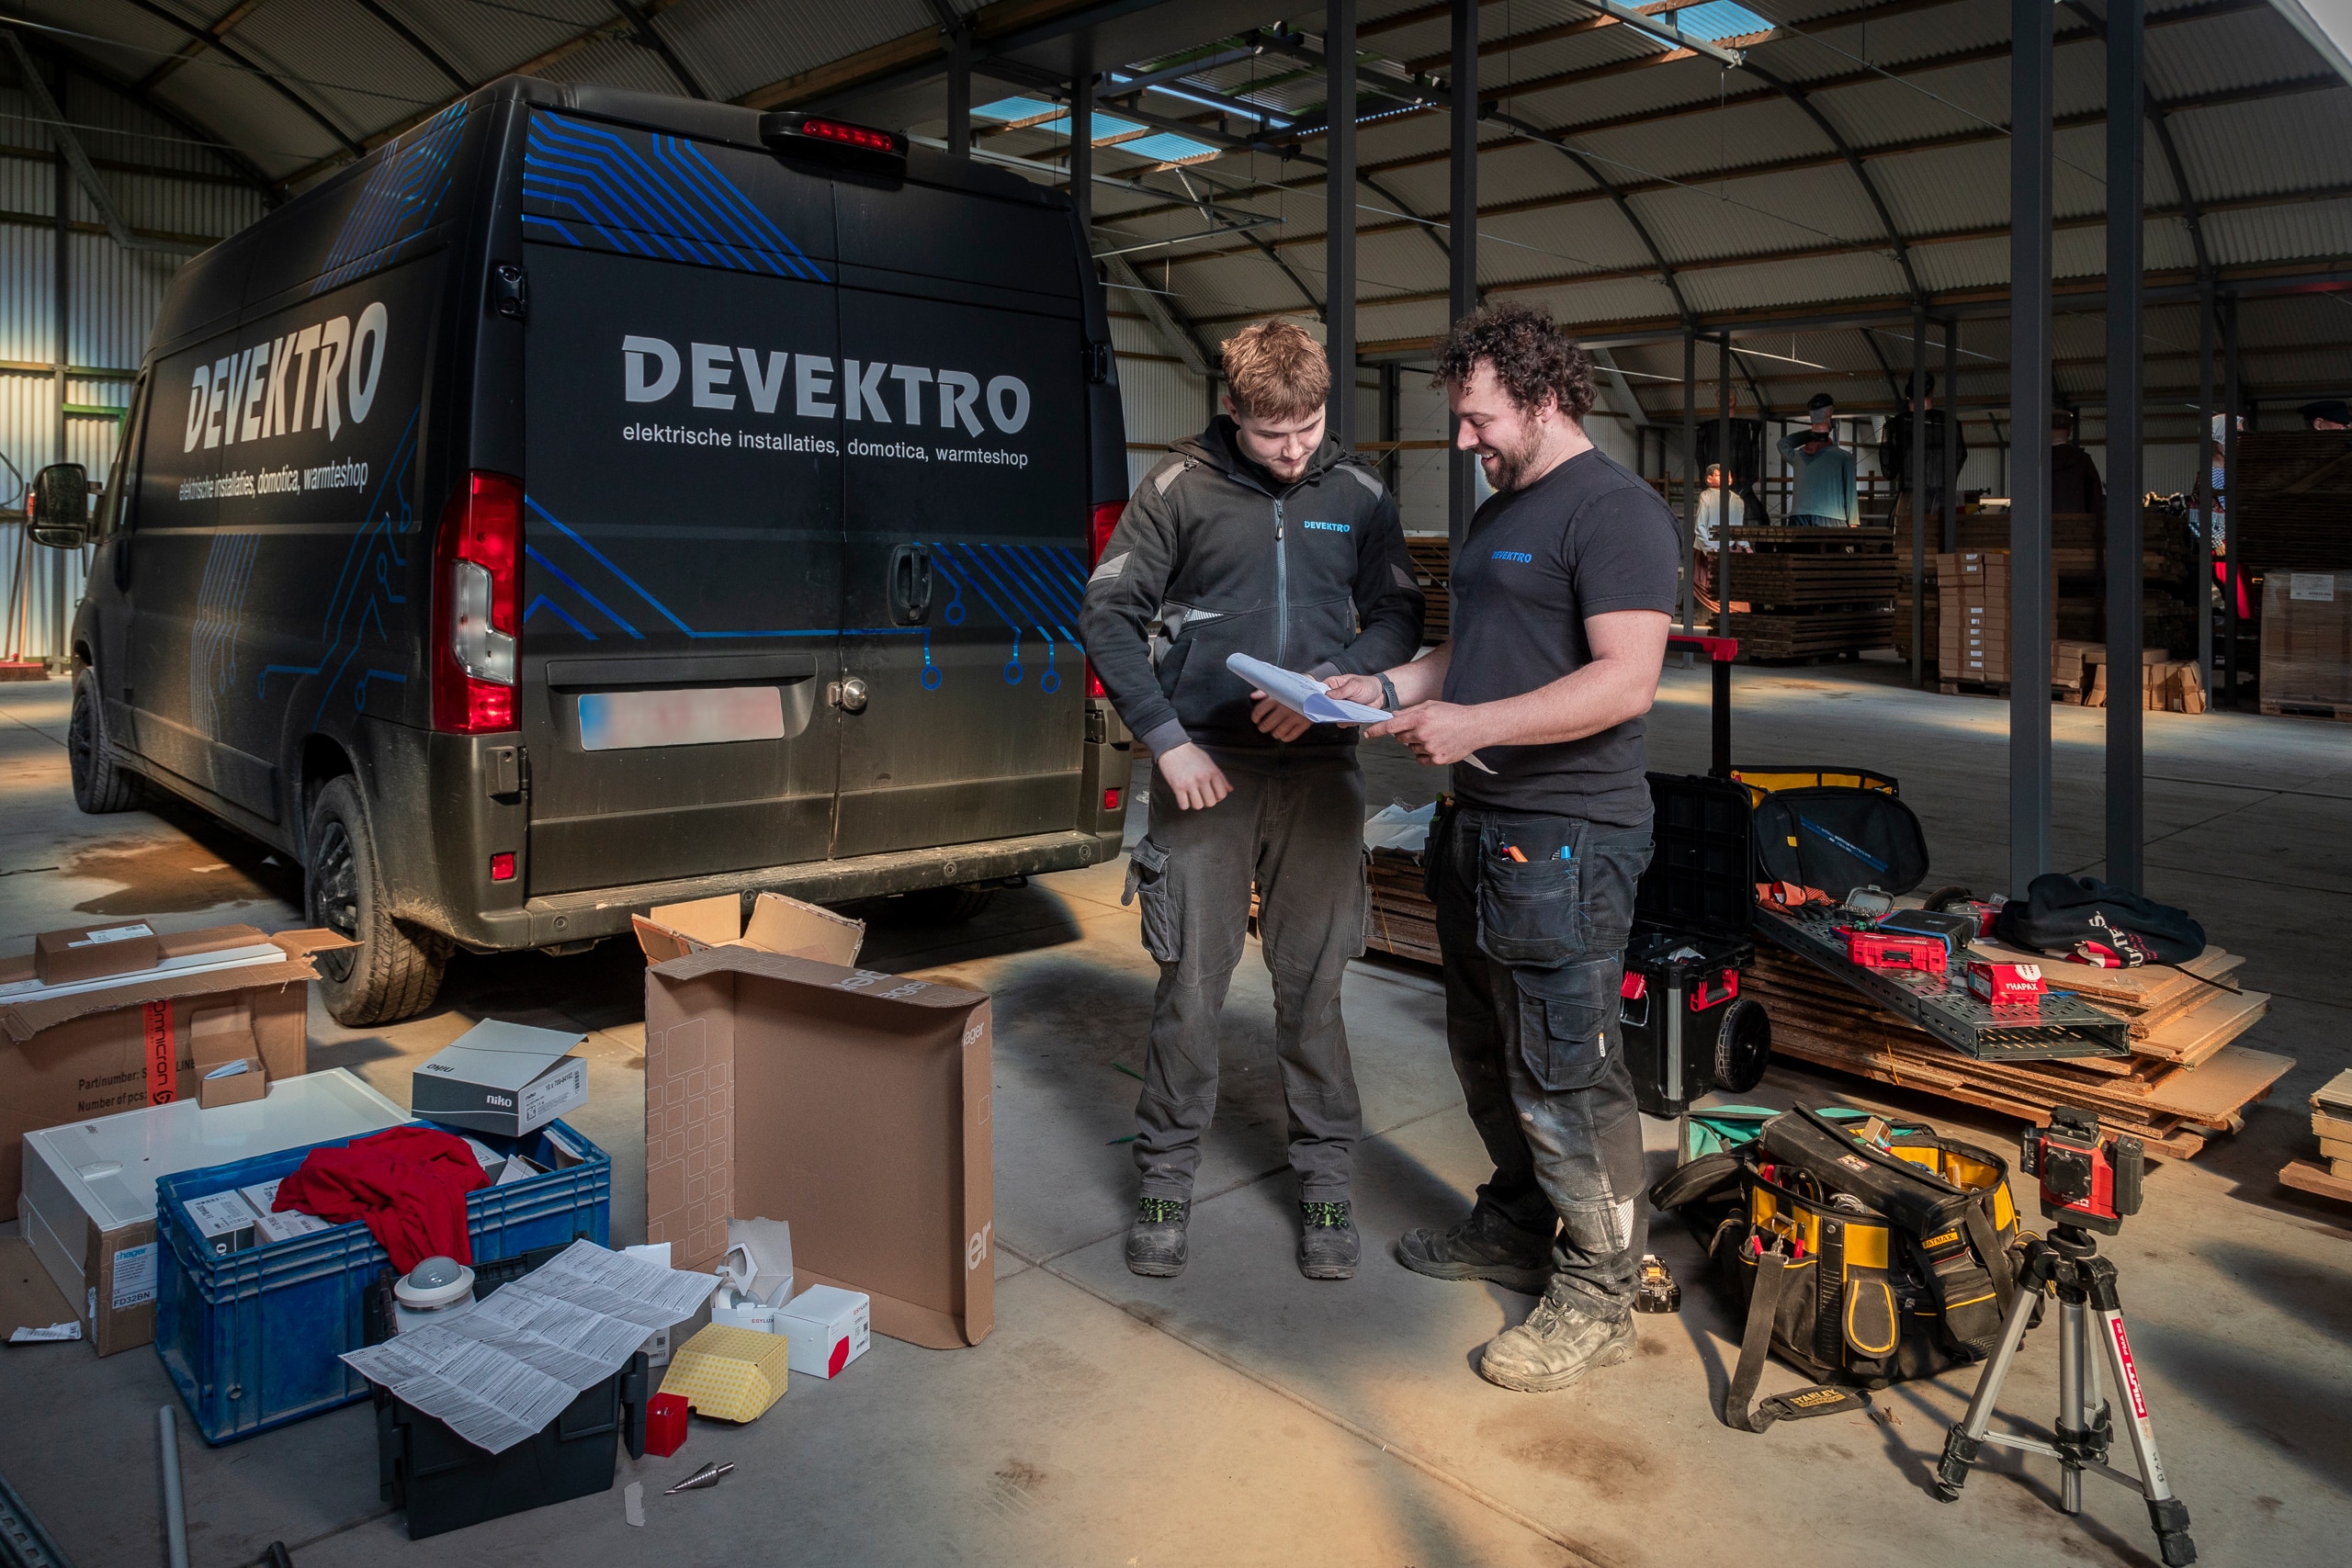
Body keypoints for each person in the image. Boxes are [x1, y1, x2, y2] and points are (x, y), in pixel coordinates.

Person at [1323, 300, 1678, 1393]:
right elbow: (1467, 654)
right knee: (1486, 1052)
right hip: (1476, 827)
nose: (1466, 441)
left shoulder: (1614, 512)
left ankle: (1600, 1291)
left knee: (1564, 1070)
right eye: (1461, 422)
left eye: (1478, 419)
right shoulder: (1498, 511)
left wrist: (1475, 726)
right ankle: (1522, 1220)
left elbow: (1625, 679)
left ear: (1544, 395)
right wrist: (1380, 688)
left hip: (1566, 836)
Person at [1078, 318, 1424, 1283]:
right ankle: (1163, 1181)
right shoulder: (1178, 489)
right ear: (1231, 410)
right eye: (1273, 431)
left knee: (1313, 989)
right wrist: (1169, 742)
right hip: (1209, 767)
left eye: (1308, 426)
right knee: (1189, 988)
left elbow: (1401, 611)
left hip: (1321, 769)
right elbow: (1106, 615)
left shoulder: (1354, 493)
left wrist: (1346, 677)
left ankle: (1323, 1183)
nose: (1293, 449)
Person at [1879, 371, 1967, 523]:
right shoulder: (1950, 423)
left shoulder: (1895, 426)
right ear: (1932, 392)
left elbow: (1889, 470)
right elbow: (1960, 456)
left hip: (1908, 502)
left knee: (1903, 540)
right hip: (1942, 503)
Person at [1778, 392, 1858, 526]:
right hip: (1832, 518)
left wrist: (1811, 434)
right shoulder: (1845, 457)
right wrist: (1853, 522)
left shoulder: (1798, 456)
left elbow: (1783, 443)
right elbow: (1850, 494)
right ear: (1829, 412)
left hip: (1799, 517)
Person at [2049, 411, 2105, 515]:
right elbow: (2095, 498)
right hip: (2077, 525)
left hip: (2040, 525)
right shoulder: (2082, 460)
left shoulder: (2037, 462)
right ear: (2070, 430)